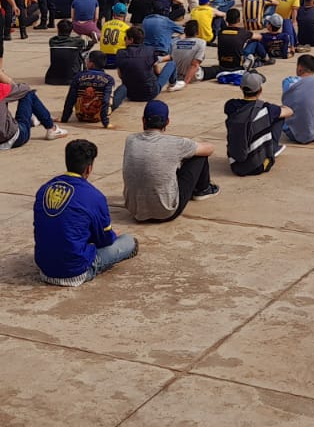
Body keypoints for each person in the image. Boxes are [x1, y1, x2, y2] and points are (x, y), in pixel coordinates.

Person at [33, 139, 136, 287]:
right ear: (88, 169)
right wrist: (112, 235)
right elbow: (104, 240)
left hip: (45, 267)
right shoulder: (94, 196)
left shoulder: (44, 189)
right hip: (76, 272)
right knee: (128, 241)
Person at [121, 100, 217, 221]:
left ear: (143, 120)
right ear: (167, 122)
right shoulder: (176, 143)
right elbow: (209, 149)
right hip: (166, 212)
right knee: (199, 156)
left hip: (135, 210)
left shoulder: (130, 140)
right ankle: (203, 190)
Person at [223, 71, 291, 176]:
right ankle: (272, 149)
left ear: (241, 88)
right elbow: (289, 112)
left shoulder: (230, 105)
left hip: (235, 165)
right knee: (278, 118)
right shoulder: (266, 108)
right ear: (260, 90)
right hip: (259, 166)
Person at [116, 26, 181, 103]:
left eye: (125, 38)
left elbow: (120, 75)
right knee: (171, 64)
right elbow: (158, 71)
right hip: (150, 93)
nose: (124, 41)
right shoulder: (150, 50)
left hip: (130, 94)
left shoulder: (120, 53)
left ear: (131, 40)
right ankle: (173, 84)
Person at [62, 51, 125, 126]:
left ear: (91, 64)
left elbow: (70, 98)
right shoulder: (108, 79)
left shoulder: (78, 76)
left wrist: (64, 119)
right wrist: (105, 122)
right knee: (124, 88)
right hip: (98, 117)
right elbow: (106, 100)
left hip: (81, 115)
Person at [170, 20, 208, 85]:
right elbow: (194, 65)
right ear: (197, 32)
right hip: (192, 76)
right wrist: (185, 83)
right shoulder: (201, 42)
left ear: (185, 31)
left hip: (176, 75)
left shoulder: (175, 43)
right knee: (215, 70)